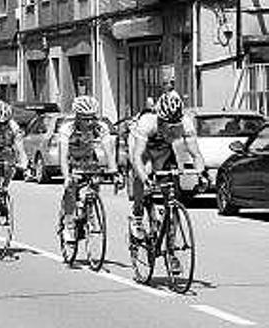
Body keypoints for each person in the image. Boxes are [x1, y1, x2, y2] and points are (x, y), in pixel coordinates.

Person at [129, 80, 208, 239]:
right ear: (159, 118)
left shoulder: (186, 123)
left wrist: (201, 174)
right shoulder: (147, 122)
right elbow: (137, 157)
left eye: (175, 125)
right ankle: (137, 215)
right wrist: (145, 178)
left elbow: (196, 154)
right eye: (167, 124)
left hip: (163, 149)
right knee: (139, 175)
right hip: (144, 146)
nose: (172, 128)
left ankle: (170, 242)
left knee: (171, 189)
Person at [58, 92, 117, 243]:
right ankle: (69, 224)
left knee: (94, 183)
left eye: (92, 117)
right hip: (72, 159)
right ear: (77, 117)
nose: (90, 121)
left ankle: (89, 212)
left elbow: (108, 150)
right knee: (71, 188)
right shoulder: (67, 128)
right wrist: (66, 177)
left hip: (89, 158)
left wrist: (114, 171)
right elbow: (63, 156)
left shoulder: (100, 127)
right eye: (85, 118)